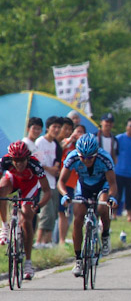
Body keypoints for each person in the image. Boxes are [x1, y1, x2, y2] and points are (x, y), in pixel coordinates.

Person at [58, 134, 118, 277]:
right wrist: (65, 195)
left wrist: (112, 197)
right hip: (83, 186)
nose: (86, 160)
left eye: (90, 157)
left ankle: (105, 235)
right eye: (83, 157)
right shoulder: (72, 157)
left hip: (102, 184)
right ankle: (78, 259)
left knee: (102, 207)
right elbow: (61, 181)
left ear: (96, 154)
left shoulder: (105, 158)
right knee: (78, 218)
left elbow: (113, 183)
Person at [0, 141, 51, 279]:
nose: (19, 163)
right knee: (1, 189)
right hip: (13, 181)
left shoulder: (35, 165)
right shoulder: (4, 161)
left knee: (26, 220)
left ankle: (28, 261)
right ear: (11, 159)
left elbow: (47, 191)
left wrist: (39, 205)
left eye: (22, 160)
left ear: (27, 158)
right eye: (16, 160)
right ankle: (4, 227)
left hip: (30, 187)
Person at [34, 116, 62, 248]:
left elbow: (57, 162)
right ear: (48, 128)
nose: (56, 130)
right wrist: (49, 169)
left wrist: (54, 169)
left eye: (58, 127)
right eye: (54, 127)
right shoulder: (40, 142)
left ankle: (48, 241)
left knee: (53, 214)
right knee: (46, 213)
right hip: (42, 183)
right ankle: (39, 241)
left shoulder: (55, 144)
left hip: (53, 183)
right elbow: (37, 162)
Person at [58, 124, 86, 245]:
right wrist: (70, 139)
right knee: (63, 212)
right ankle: (61, 239)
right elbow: (59, 151)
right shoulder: (66, 142)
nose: (78, 134)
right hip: (67, 182)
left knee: (77, 212)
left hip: (79, 182)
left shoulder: (86, 147)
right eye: (77, 131)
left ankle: (72, 237)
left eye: (81, 132)